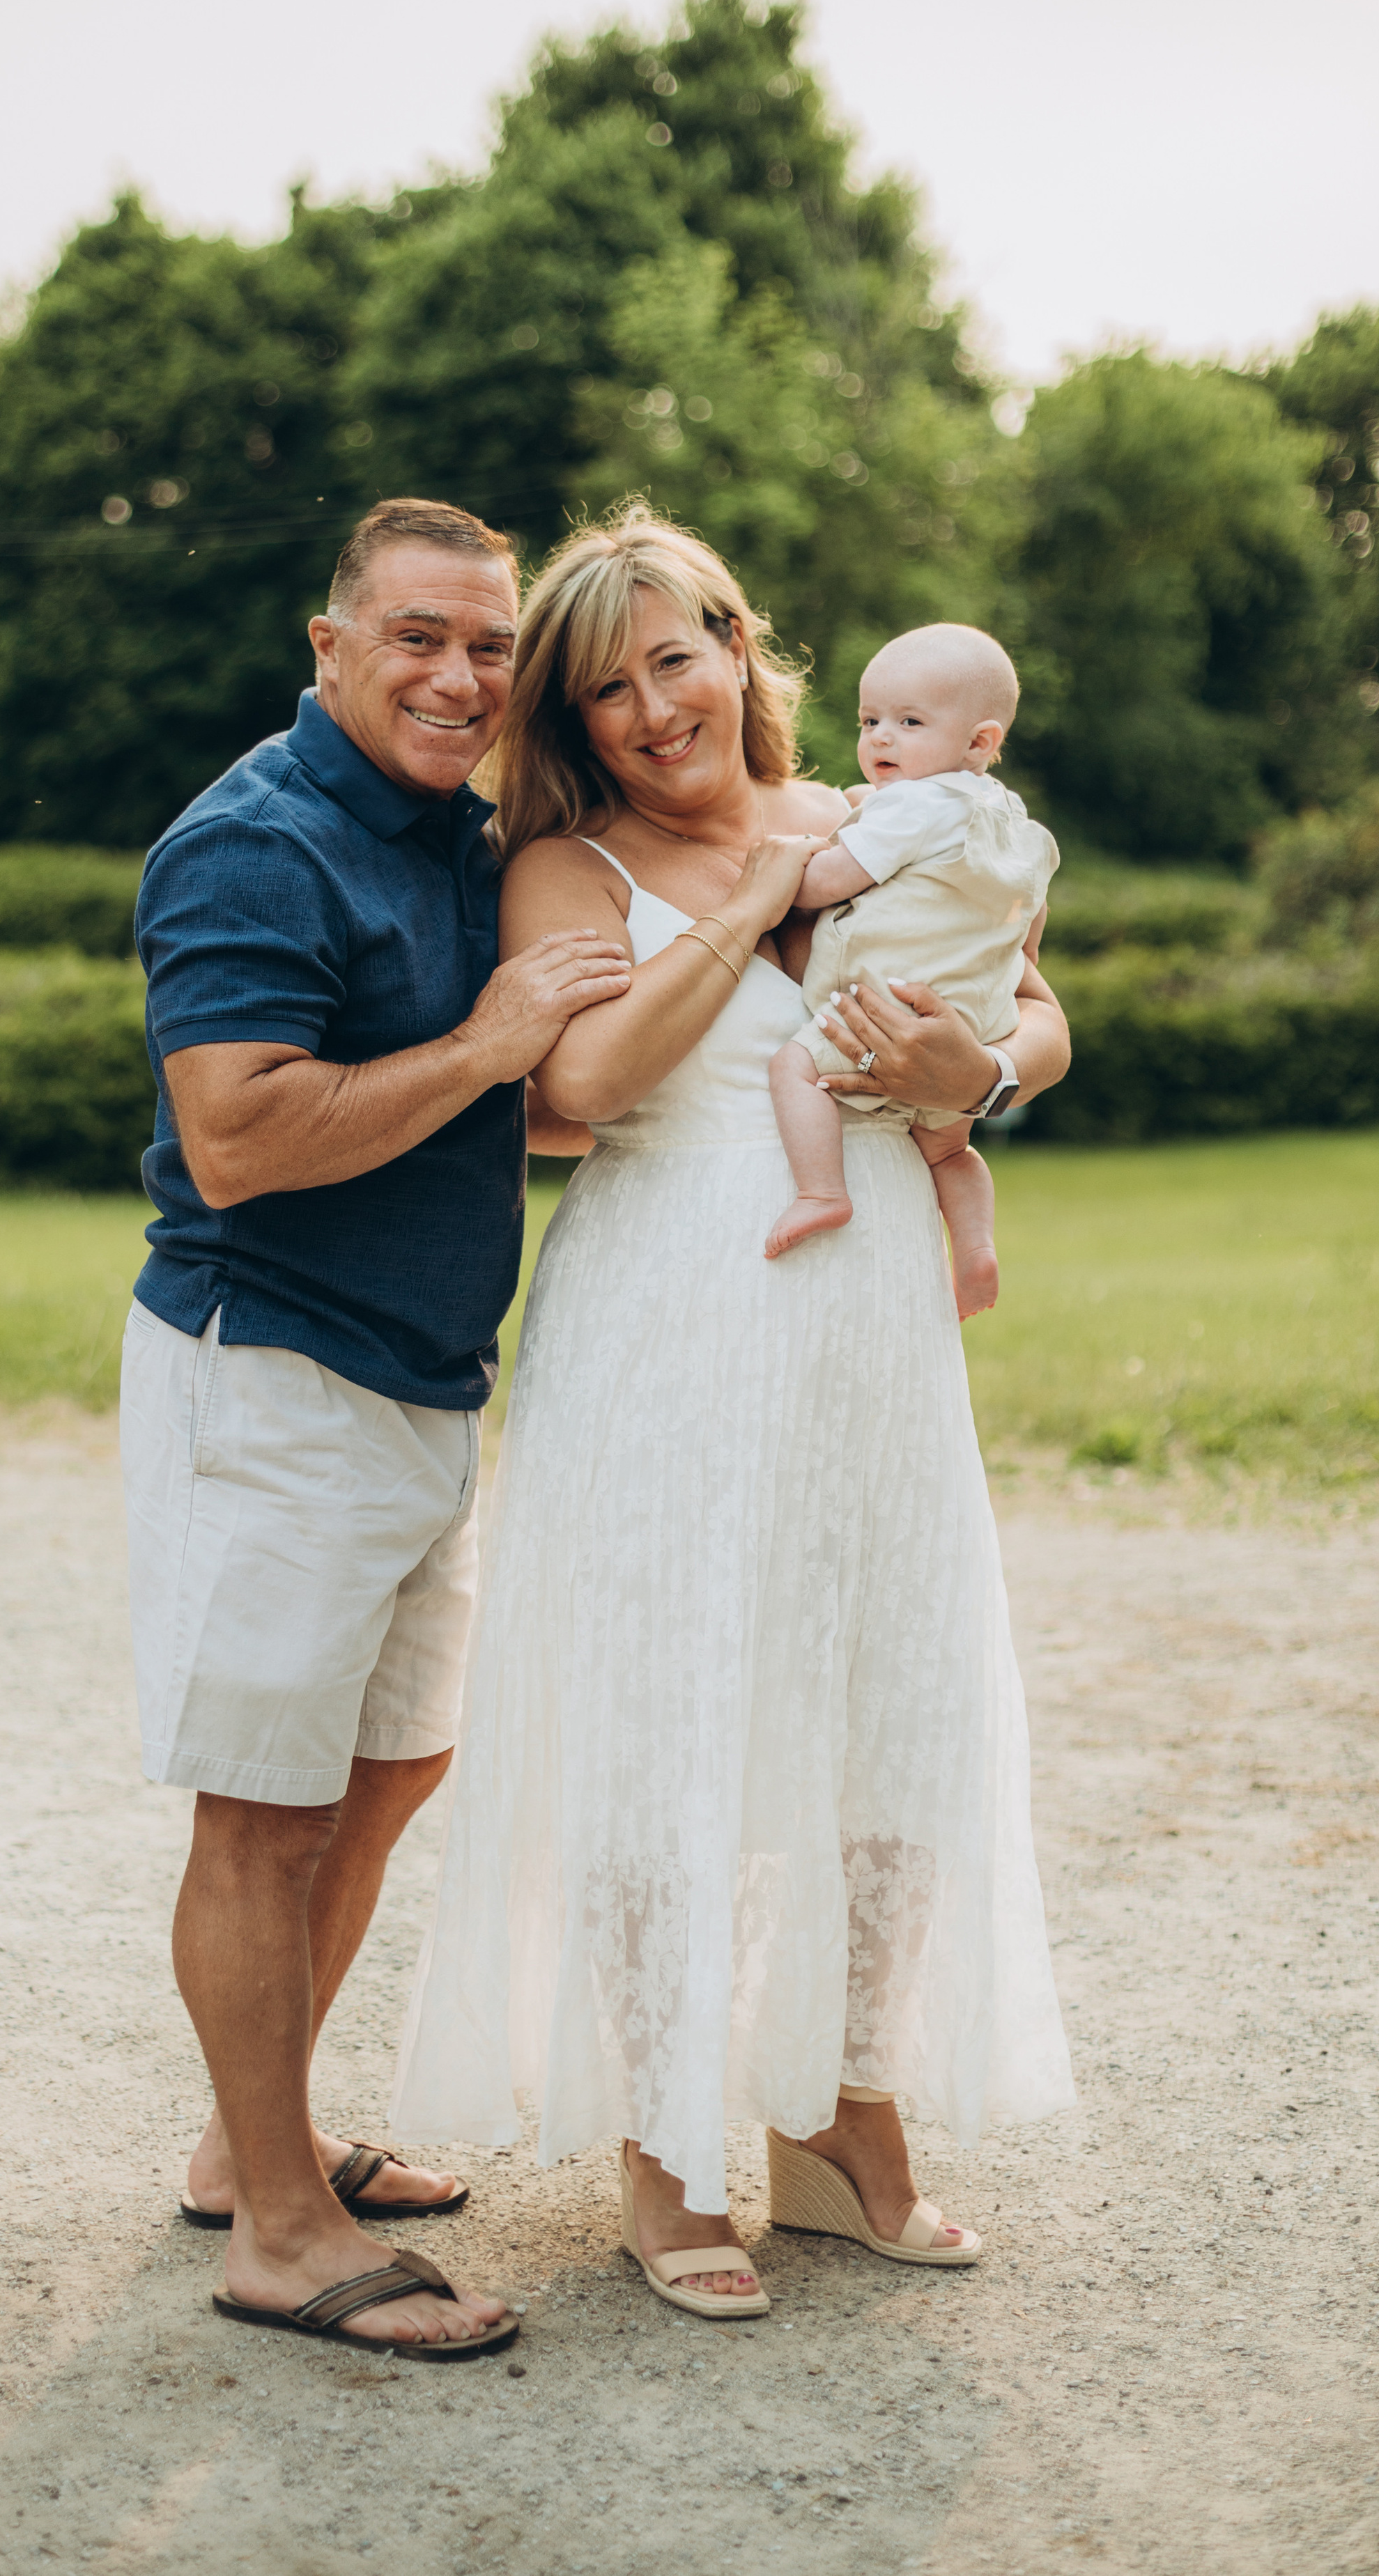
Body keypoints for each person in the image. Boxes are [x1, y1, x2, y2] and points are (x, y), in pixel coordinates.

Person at [391, 506, 1077, 2322]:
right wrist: (760, 904)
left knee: (888, 1709)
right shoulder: (563, 867)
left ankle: (844, 2117)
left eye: (672, 660)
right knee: (661, 1715)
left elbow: (1030, 998)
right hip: (667, 1321)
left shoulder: (873, 810)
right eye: (603, 690)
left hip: (870, 1324)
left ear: (735, 646)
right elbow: (594, 1078)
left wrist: (982, 1070)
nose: (650, 709)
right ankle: (669, 2139)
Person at [121, 497, 630, 2359]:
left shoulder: (461, 838)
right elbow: (242, 1136)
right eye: (418, 636)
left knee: (391, 1767)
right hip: (271, 1377)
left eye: (490, 644)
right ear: (330, 645)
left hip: (420, 1383)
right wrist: (491, 1043)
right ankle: (276, 2228)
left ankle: (247, 2140)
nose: (460, 675)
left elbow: (517, 1101)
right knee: (263, 1812)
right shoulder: (251, 845)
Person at [765, 622, 1058, 1318]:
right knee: (948, 1149)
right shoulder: (1017, 823)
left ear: (979, 742)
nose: (881, 739)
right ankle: (976, 1250)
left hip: (884, 1013)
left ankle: (821, 1191)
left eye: (909, 722)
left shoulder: (912, 807)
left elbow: (829, 881)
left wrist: (786, 868)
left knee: (793, 1069)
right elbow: (1030, 929)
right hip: (974, 1023)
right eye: (869, 721)